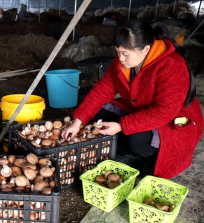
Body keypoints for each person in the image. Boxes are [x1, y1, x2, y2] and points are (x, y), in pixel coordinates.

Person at [62, 20, 203, 179]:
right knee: (101, 112)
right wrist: (78, 121)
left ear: (145, 49)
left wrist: (122, 125)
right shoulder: (123, 62)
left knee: (137, 136)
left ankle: (146, 159)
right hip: (141, 108)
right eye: (118, 52)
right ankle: (128, 150)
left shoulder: (171, 65)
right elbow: (102, 90)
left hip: (172, 119)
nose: (120, 58)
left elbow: (165, 111)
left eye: (125, 53)